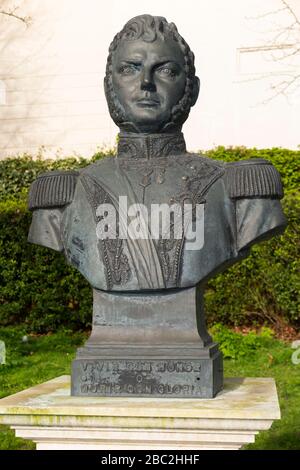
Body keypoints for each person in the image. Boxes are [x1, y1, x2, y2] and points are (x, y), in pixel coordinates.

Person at [28, 14, 286, 292]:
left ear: (193, 89)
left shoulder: (241, 193)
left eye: (165, 71)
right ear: (108, 87)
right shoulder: (63, 198)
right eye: (130, 69)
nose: (146, 82)